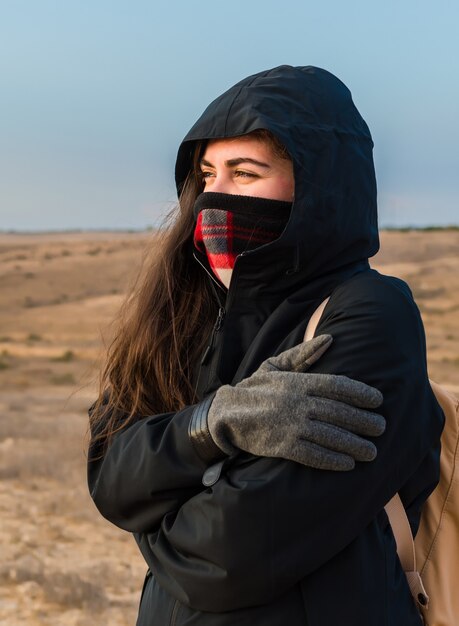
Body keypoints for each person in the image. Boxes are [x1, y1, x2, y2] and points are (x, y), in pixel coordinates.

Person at [87, 65, 444, 625]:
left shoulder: (371, 315)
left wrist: (153, 515)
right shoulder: (186, 312)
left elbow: (233, 553)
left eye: (246, 173)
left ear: (317, 186)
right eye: (207, 173)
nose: (215, 196)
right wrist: (212, 424)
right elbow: (110, 475)